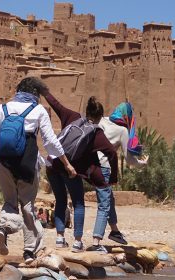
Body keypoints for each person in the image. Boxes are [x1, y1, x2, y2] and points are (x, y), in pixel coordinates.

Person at [0, 77, 76, 264]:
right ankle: (29, 252)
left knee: (9, 201)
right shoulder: (38, 110)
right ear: (35, 94)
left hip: (3, 160)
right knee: (27, 205)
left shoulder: (3, 108)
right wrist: (66, 163)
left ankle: (3, 229)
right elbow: (50, 141)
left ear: (18, 90)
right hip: (26, 162)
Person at [42, 90, 118, 253]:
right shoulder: (96, 133)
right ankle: (77, 242)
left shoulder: (73, 116)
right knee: (78, 203)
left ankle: (60, 239)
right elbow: (112, 153)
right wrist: (113, 176)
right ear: (100, 117)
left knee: (60, 200)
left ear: (87, 111)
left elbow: (56, 104)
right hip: (70, 169)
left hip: (52, 165)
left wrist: (43, 90)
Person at [89, 102, 148, 252]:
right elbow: (129, 160)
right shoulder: (122, 130)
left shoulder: (102, 120)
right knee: (104, 204)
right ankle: (96, 242)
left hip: (90, 167)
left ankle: (115, 231)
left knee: (109, 199)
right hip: (104, 168)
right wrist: (142, 163)